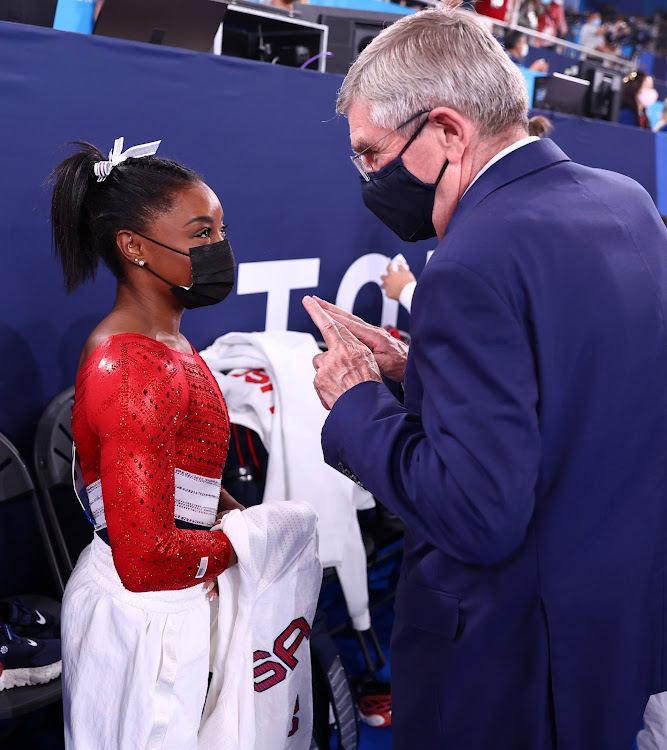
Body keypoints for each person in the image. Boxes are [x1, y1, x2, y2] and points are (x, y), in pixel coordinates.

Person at [301, 4, 667, 749]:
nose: (366, 176)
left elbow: (476, 510)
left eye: (370, 154)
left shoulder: (472, 260)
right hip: (616, 627)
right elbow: (580, 387)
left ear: (446, 130)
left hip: (512, 664)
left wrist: (358, 403)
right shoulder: (625, 201)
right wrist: (417, 369)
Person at [49, 138, 244, 749]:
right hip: (145, 621)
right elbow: (146, 558)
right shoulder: (131, 368)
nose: (219, 248)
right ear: (133, 246)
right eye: (200, 233)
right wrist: (256, 541)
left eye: (220, 230)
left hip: (176, 606)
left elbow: (191, 487)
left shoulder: (172, 345)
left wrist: (230, 518)